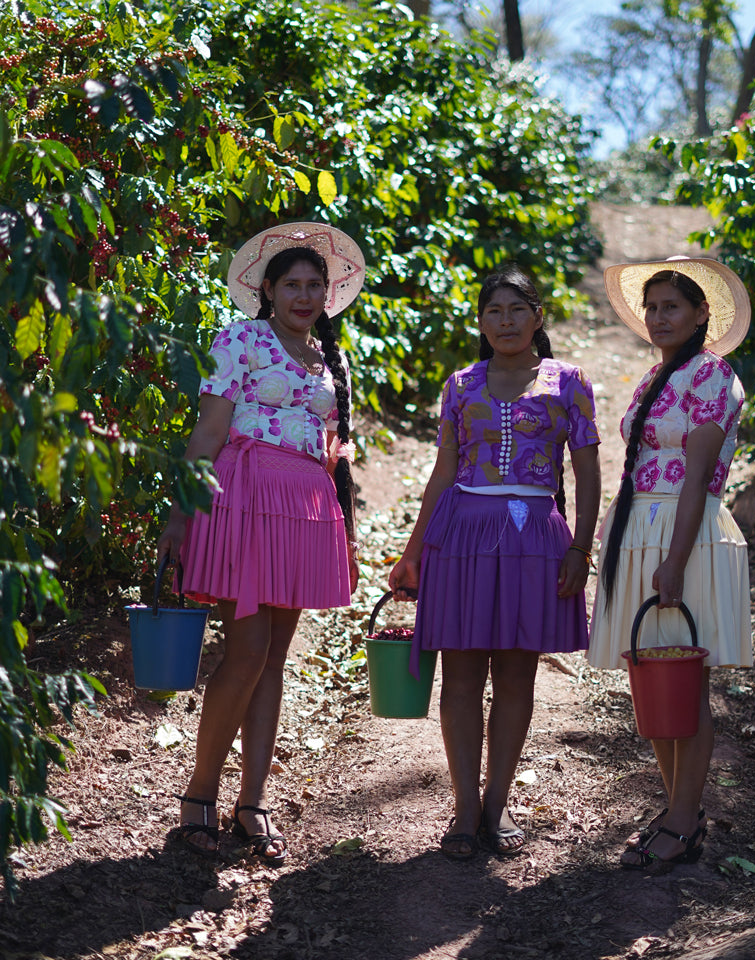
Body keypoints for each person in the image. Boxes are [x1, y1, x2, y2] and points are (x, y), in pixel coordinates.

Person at [157, 222, 365, 863]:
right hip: (245, 499)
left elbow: (330, 449)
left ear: (328, 295)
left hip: (304, 507)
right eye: (291, 284)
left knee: (275, 659)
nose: (304, 296)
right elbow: (209, 431)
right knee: (245, 653)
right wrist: (178, 515)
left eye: (314, 285)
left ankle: (252, 803)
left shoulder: (330, 360)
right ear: (267, 291)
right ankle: (198, 795)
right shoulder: (240, 338)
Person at [389, 266, 601, 860]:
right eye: (493, 312)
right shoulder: (460, 384)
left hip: (536, 536)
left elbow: (587, 474)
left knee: (516, 674)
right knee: (458, 678)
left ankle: (497, 801)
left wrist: (581, 547)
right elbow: (442, 473)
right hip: (461, 535)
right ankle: (463, 806)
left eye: (516, 310)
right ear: (480, 321)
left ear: (538, 317)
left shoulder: (568, 383)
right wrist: (412, 552)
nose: (504, 322)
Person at [588, 256, 752, 873]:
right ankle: (675, 810)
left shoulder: (713, 377)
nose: (659, 317)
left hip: (687, 533)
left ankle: (684, 822)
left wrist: (675, 560)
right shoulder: (650, 380)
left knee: (687, 683)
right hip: (637, 531)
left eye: (672, 307)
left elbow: (698, 478)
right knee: (653, 679)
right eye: (652, 308)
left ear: (701, 313)